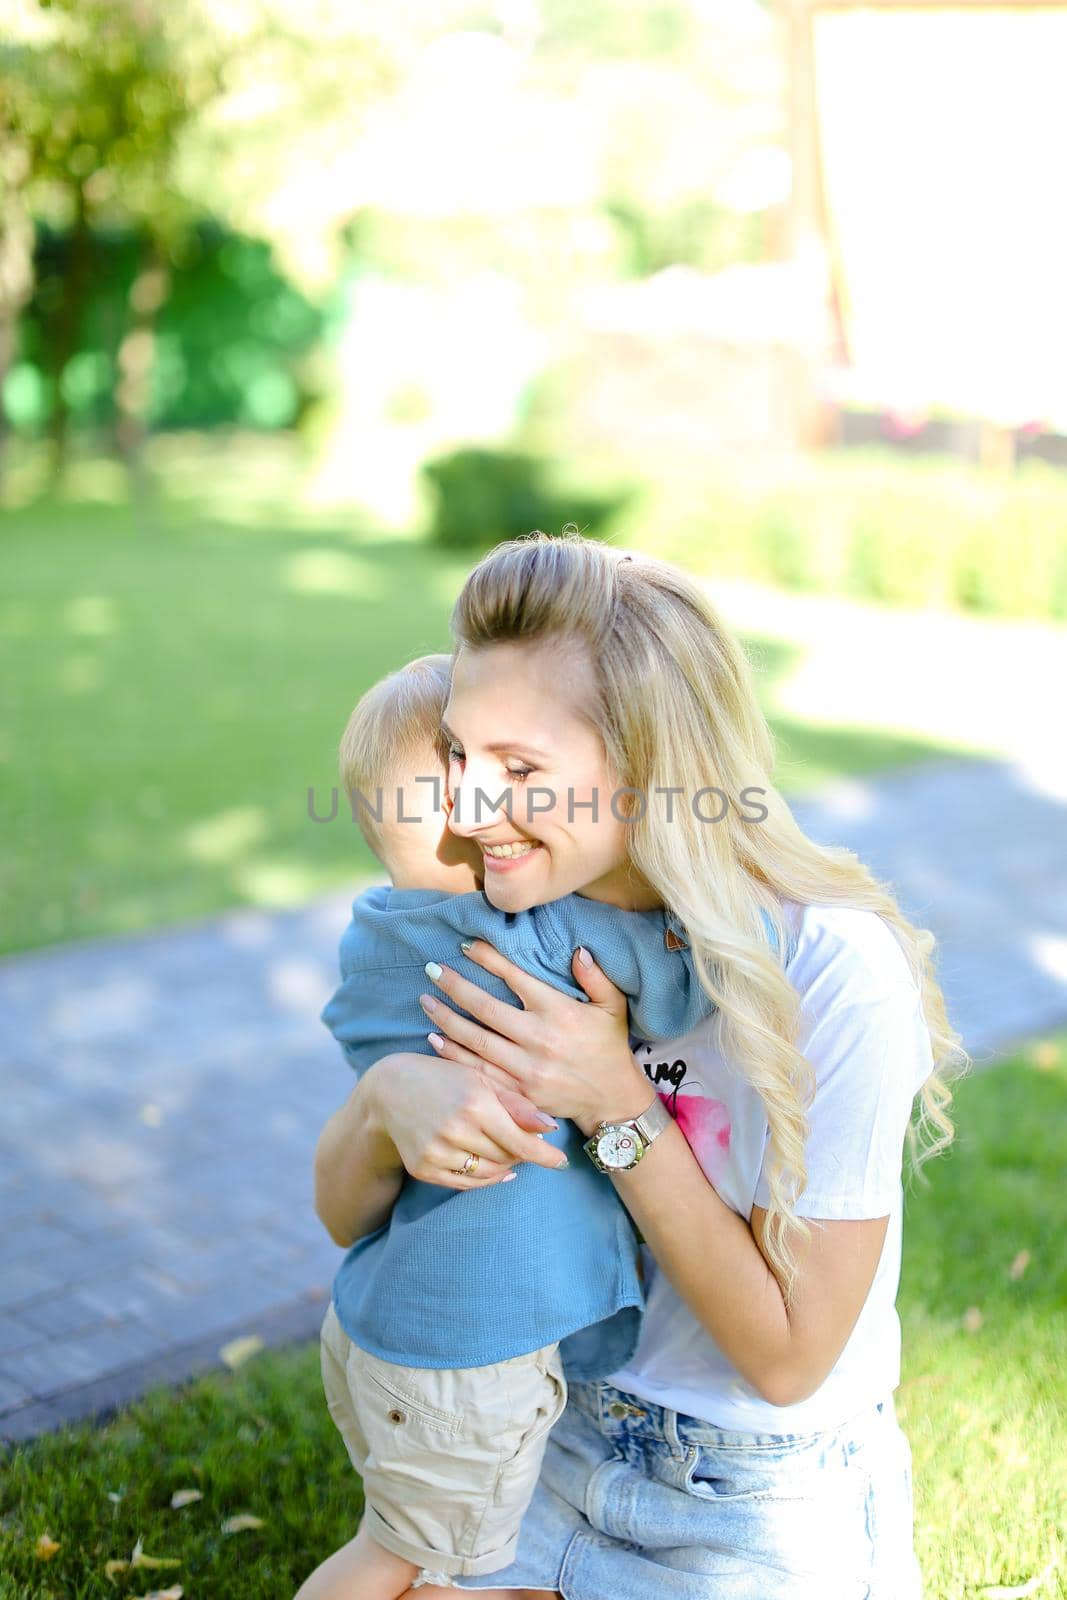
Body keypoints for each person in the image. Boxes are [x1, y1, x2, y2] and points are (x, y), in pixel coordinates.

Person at [307, 532, 969, 1600]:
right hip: (554, 1431)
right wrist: (389, 1101)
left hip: (751, 1502)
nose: (470, 811)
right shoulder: (491, 921)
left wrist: (612, 1094)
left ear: (652, 762)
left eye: (521, 770)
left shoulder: (832, 969)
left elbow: (789, 1360)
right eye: (464, 756)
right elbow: (342, 1215)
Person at [305, 652, 797, 1597]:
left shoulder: (372, 940)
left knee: (413, 1546)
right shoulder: (524, 938)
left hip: (375, 1315)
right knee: (419, 1570)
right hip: (466, 1352)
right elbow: (678, 980)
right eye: (471, 776)